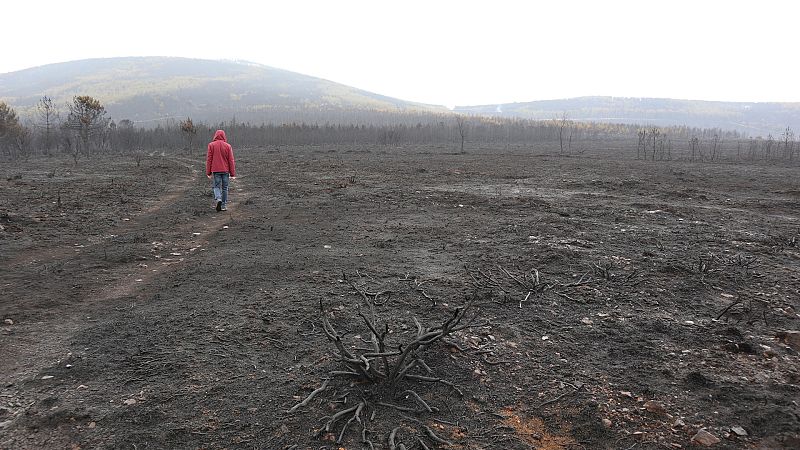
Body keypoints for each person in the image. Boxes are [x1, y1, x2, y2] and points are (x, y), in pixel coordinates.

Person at [206, 129, 237, 211]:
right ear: (224, 136)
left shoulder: (211, 145)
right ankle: (223, 206)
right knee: (225, 188)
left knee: (216, 186)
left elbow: (209, 159)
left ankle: (218, 198)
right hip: (225, 170)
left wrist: (208, 172)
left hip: (216, 171)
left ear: (215, 136)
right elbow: (231, 160)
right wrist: (233, 174)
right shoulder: (228, 146)